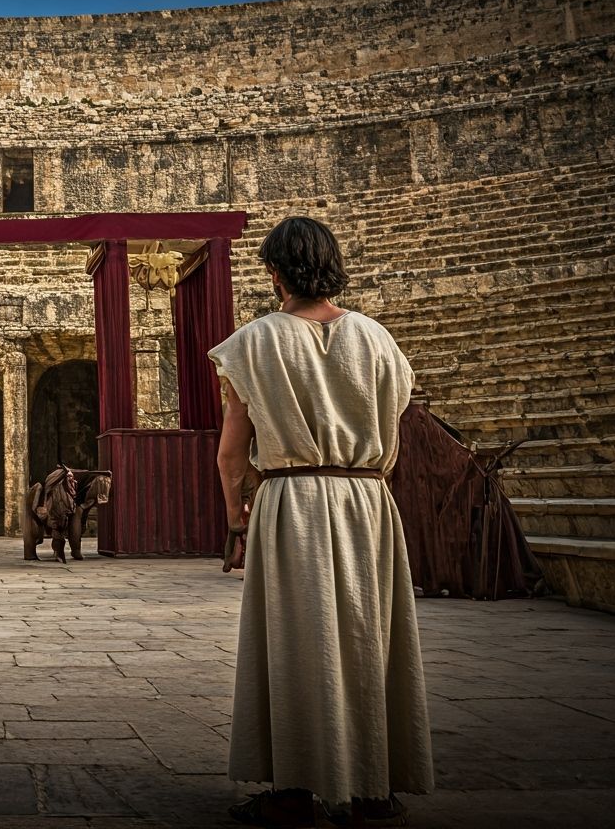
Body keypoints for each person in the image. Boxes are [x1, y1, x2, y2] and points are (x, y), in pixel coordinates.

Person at [208, 217, 433, 828]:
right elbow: (396, 420)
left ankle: (298, 787)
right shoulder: (379, 340)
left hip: (293, 502)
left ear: (276, 272)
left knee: (296, 641)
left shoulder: (254, 342)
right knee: (368, 635)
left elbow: (232, 452)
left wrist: (236, 522)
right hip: (366, 500)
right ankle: (372, 787)